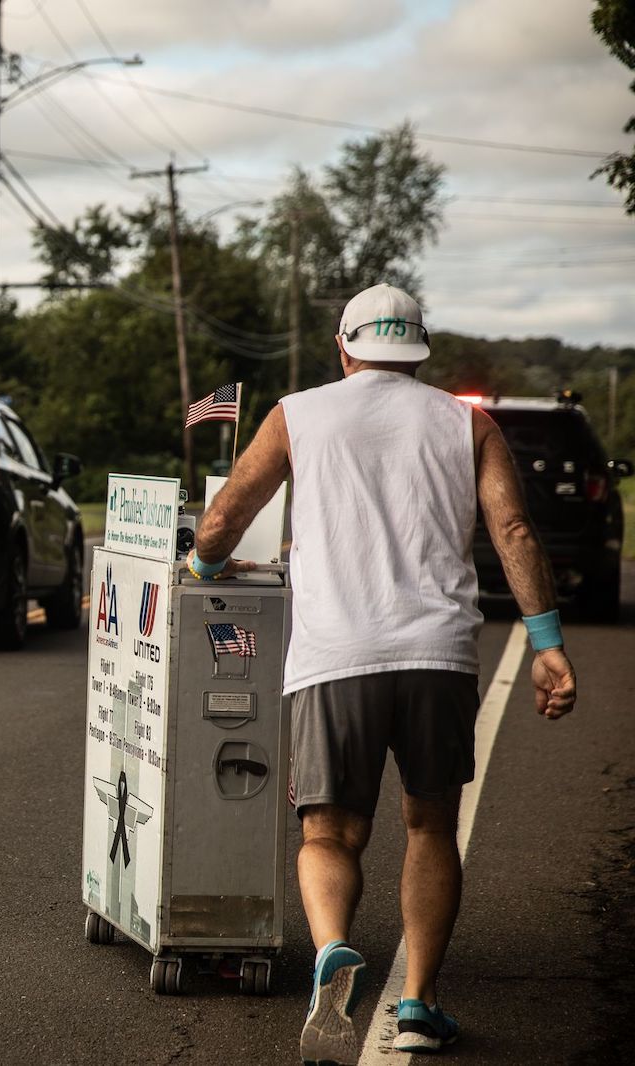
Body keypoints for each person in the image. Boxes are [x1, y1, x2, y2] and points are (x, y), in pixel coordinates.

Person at [185, 283, 578, 1064]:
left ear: (345, 346)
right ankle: (419, 1004)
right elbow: (511, 526)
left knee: (330, 832)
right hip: (439, 655)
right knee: (431, 824)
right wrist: (546, 641)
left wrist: (202, 562)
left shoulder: (299, 413)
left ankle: (333, 948)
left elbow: (227, 517)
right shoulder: (469, 421)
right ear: (419, 350)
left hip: (335, 657)